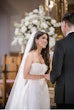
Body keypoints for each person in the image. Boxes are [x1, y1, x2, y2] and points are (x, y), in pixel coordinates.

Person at [5, 31, 50, 109]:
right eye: (43, 38)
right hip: (32, 89)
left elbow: (49, 73)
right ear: (36, 40)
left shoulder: (46, 57)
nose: (46, 41)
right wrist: (43, 76)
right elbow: (26, 75)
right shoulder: (30, 55)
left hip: (43, 88)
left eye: (47, 39)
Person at [46, 12, 74, 109]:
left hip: (66, 94)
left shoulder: (61, 44)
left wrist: (51, 77)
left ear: (64, 24)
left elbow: (57, 71)